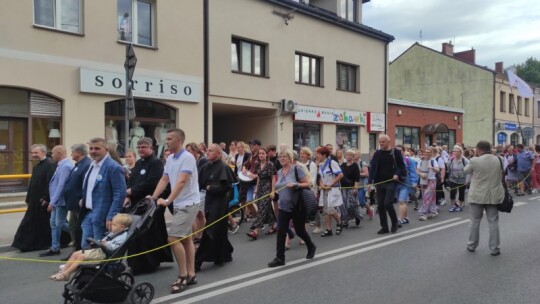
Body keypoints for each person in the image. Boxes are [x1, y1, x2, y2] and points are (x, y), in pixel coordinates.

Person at [152, 128, 200, 294]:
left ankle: (183, 275)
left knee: (173, 238)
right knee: (185, 239)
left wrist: (167, 201)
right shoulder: (170, 158)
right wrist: (153, 197)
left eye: (170, 139)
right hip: (179, 203)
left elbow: (181, 182)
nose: (167, 141)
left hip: (189, 203)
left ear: (179, 140)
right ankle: (192, 274)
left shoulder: (187, 158)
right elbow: (165, 179)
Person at [124, 137, 173, 274]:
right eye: (138, 147)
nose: (140, 150)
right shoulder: (139, 163)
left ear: (151, 148)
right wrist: (128, 194)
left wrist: (132, 191)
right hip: (136, 204)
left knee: (148, 234)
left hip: (150, 204)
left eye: (143, 147)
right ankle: (137, 264)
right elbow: (131, 180)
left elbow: (152, 182)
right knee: (136, 234)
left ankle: (149, 263)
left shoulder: (156, 163)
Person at [267, 147, 316, 267]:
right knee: (281, 231)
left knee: (300, 230)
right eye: (280, 157)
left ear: (290, 158)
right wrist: (274, 194)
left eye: (284, 156)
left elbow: (308, 184)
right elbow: (279, 188)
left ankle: (311, 246)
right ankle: (280, 258)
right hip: (284, 206)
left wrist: (296, 184)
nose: (282, 159)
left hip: (297, 205)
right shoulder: (279, 172)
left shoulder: (297, 169)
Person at [48, 213, 132, 281]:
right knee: (75, 254)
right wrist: (98, 242)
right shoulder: (114, 233)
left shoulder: (122, 236)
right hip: (100, 250)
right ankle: (62, 271)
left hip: (106, 254)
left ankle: (66, 274)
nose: (111, 226)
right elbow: (106, 239)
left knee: (81, 256)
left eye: (114, 225)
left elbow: (114, 247)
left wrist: (106, 244)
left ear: (122, 227)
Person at [80, 138, 127, 249]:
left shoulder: (113, 167)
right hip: (88, 213)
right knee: (85, 246)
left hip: (103, 215)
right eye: (91, 148)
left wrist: (111, 215)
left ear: (106, 149)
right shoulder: (92, 165)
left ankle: (106, 267)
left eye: (97, 148)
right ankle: (90, 266)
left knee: (100, 248)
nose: (93, 151)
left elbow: (120, 193)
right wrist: (84, 199)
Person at [195, 144, 235, 270]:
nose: (207, 153)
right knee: (220, 228)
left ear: (219, 154)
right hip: (209, 201)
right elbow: (201, 182)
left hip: (220, 202)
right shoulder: (206, 166)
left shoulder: (223, 167)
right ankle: (224, 254)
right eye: (207, 151)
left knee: (211, 229)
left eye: (211, 151)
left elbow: (226, 186)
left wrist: (211, 187)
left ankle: (198, 260)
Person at [12, 144, 56, 252]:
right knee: (31, 223)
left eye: (36, 152)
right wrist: (28, 198)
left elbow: (50, 183)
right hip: (34, 200)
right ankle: (27, 245)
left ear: (44, 153)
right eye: (32, 153)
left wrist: (47, 198)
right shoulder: (36, 166)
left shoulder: (50, 165)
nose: (34, 155)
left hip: (43, 201)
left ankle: (40, 244)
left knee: (43, 224)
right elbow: (32, 184)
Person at [464, 141, 504, 256]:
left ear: (479, 149)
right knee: (493, 222)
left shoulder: (474, 160)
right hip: (493, 195)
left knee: (475, 221)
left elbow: (465, 170)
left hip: (477, 196)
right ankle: (495, 248)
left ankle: (472, 245)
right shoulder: (499, 159)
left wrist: (475, 157)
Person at [40, 145, 74, 257]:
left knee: (60, 223)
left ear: (59, 153)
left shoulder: (65, 166)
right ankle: (55, 247)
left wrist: (52, 202)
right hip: (57, 200)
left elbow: (61, 185)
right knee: (54, 223)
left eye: (53, 153)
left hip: (61, 200)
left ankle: (79, 232)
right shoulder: (61, 165)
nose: (52, 155)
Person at [368, 134, 405, 234]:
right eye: (380, 142)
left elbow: (401, 166)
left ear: (389, 142)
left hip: (391, 182)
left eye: (383, 142)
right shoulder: (377, 153)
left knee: (388, 203)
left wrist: (397, 174)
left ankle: (394, 223)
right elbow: (372, 168)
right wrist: (369, 182)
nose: (381, 144)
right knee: (380, 206)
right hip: (379, 182)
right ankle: (384, 227)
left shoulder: (396, 152)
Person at [63, 144, 92, 254]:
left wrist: (82, 198)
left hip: (80, 203)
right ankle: (76, 250)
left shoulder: (86, 165)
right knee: (73, 226)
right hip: (74, 204)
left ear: (79, 153)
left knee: (78, 228)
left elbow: (86, 184)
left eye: (73, 152)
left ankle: (79, 251)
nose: (71, 154)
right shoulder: (78, 165)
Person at [246, 147, 276, 240]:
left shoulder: (270, 164)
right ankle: (274, 225)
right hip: (260, 189)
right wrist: (256, 189)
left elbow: (273, 178)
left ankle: (255, 230)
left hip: (267, 188)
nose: (261, 155)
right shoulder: (258, 164)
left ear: (266, 154)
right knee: (267, 208)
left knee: (262, 209)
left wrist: (273, 191)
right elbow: (258, 177)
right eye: (260, 153)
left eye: (263, 153)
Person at [316, 146, 344, 237]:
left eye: (319, 154)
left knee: (331, 209)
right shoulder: (320, 164)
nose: (317, 156)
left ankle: (339, 222)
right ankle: (329, 229)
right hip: (324, 190)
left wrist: (330, 184)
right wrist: (321, 185)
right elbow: (319, 177)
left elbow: (340, 175)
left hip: (333, 189)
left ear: (324, 155)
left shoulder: (332, 162)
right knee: (325, 210)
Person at [395, 145, 418, 225]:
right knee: (402, 202)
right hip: (396, 184)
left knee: (402, 201)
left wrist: (414, 182)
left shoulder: (409, 160)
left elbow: (413, 172)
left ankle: (399, 219)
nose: (398, 152)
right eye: (396, 150)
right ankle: (406, 218)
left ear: (403, 151)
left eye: (400, 150)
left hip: (405, 184)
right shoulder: (393, 161)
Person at [340, 149, 362, 228]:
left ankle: (357, 216)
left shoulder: (355, 165)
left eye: (350, 155)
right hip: (343, 188)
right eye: (347, 154)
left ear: (353, 157)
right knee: (344, 205)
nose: (348, 156)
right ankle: (345, 220)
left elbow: (357, 178)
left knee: (351, 205)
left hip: (351, 187)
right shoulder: (343, 165)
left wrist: (355, 188)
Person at [417, 148, 440, 221]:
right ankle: (433, 210)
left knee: (427, 195)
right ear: (424, 153)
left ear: (431, 153)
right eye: (426, 152)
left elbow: (438, 170)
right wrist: (421, 174)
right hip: (423, 181)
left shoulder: (433, 161)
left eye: (429, 152)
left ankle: (422, 213)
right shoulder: (421, 161)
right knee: (427, 196)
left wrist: (432, 168)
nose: (427, 154)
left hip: (432, 180)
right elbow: (417, 170)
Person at [447, 145, 470, 212]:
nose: (456, 153)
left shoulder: (465, 160)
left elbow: (469, 171)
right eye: (455, 152)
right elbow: (449, 168)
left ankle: (460, 205)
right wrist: (449, 177)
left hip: (462, 179)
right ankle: (453, 205)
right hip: (453, 178)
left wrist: (467, 180)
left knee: (461, 192)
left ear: (461, 152)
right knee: (452, 192)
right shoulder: (451, 160)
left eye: (458, 152)